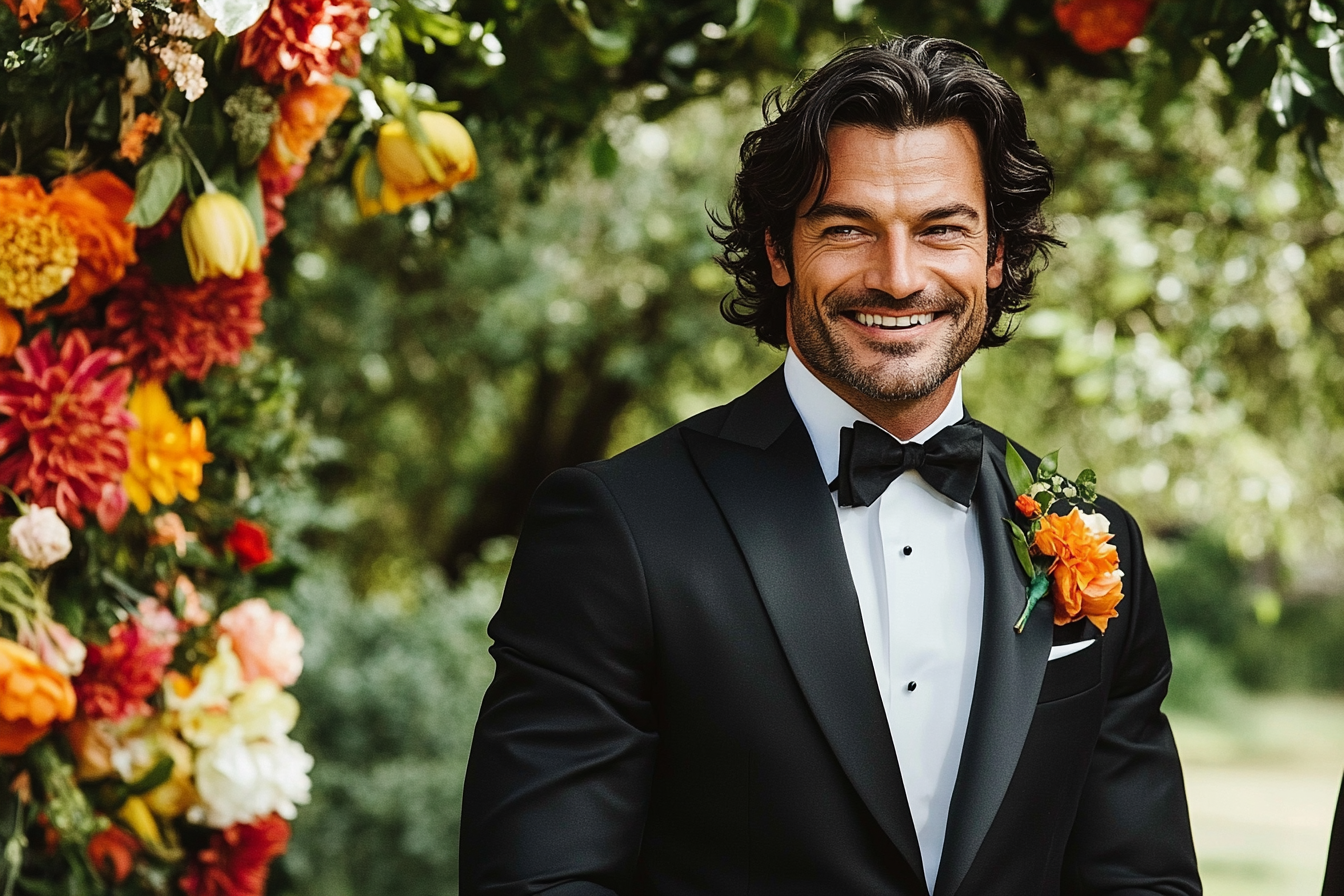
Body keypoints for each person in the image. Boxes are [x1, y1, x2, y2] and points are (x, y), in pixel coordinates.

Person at [460, 35, 1200, 896]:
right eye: (848, 229)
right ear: (779, 252)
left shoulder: (1099, 540)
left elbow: (1140, 881)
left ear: (995, 256)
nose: (897, 276)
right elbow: (541, 883)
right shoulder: (617, 529)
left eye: (942, 230)